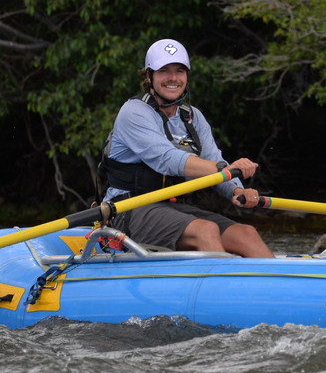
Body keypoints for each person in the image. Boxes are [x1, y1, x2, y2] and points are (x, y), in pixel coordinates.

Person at [100, 38, 274, 258]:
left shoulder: (192, 117)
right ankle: (223, 288)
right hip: (126, 210)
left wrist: (237, 190)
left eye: (180, 71)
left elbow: (213, 157)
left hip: (169, 209)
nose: (173, 78)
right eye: (165, 71)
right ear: (149, 76)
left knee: (247, 233)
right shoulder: (133, 112)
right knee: (205, 230)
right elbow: (168, 159)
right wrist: (224, 169)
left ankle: (282, 289)